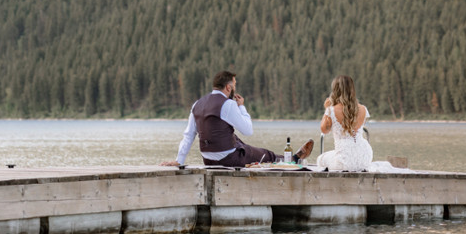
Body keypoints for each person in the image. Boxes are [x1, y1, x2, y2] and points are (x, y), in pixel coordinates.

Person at [161, 70, 313, 168]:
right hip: (228, 159)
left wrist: (179, 160)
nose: (235, 88)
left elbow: (189, 135)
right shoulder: (228, 104)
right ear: (228, 88)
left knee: (236, 138)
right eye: (234, 85)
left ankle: (290, 158)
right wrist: (241, 107)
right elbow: (248, 130)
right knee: (265, 154)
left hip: (208, 159)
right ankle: (292, 160)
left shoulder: (197, 104)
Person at [315, 75, 376, 171]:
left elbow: (324, 130)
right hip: (365, 158)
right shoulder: (363, 109)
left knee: (320, 159)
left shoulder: (332, 110)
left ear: (335, 90)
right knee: (335, 154)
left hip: (344, 162)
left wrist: (327, 109)